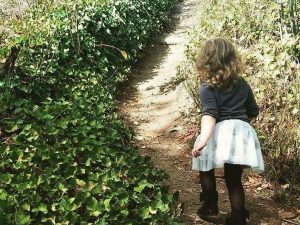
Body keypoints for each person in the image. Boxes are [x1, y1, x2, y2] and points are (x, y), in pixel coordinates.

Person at [191, 37, 264, 225]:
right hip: (241, 131)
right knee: (233, 178)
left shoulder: (207, 86)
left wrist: (203, 140)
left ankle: (210, 205)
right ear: (232, 59)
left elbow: (210, 114)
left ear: (206, 60)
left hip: (218, 130)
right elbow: (253, 110)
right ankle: (239, 217)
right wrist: (239, 123)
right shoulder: (243, 83)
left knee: (204, 163)